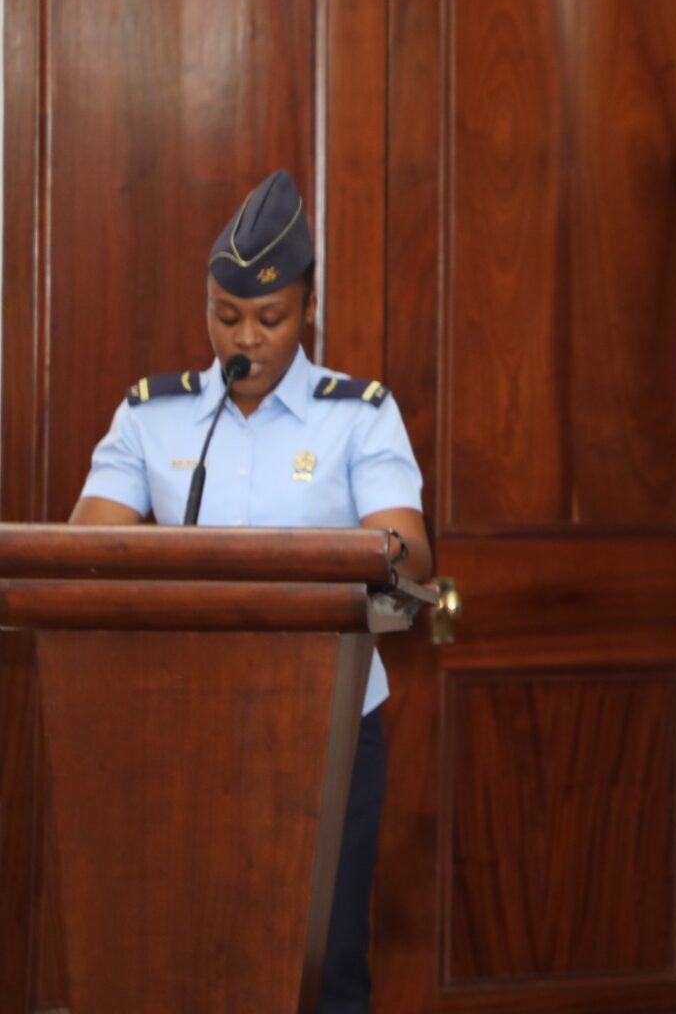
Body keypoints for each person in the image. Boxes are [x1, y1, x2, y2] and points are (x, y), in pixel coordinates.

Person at [70, 170, 432, 1014]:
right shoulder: (154, 417)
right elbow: (82, 554)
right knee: (188, 947)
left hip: (329, 726)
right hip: (178, 722)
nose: (248, 338)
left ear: (306, 310)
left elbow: (407, 547)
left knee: (325, 961)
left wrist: (342, 558)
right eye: (226, 316)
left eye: (269, 318)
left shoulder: (359, 416)